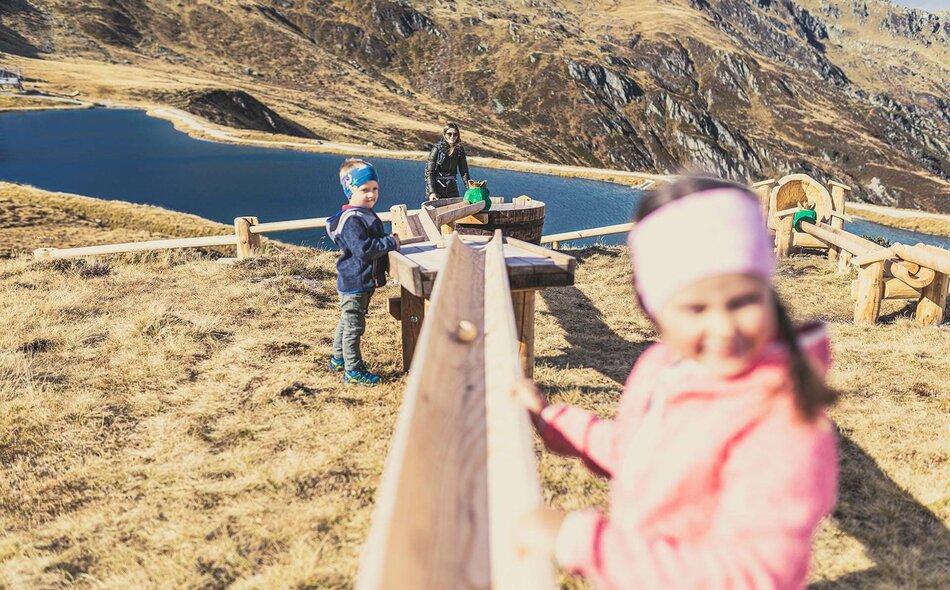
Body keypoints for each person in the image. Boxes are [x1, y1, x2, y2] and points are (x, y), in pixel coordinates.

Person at [514, 177, 840, 589]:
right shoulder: (665, 366)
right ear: (655, 311)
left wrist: (580, 541)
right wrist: (552, 420)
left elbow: (754, 576)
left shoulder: (784, 421)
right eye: (695, 307)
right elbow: (643, 453)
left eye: (743, 301)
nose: (723, 327)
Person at [326, 158, 400, 386]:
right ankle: (353, 370)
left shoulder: (362, 213)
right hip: (355, 282)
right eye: (364, 189)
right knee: (354, 327)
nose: (371, 195)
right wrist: (391, 242)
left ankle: (338, 358)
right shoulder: (353, 220)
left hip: (359, 281)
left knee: (347, 322)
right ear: (350, 190)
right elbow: (364, 250)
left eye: (375, 188)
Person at [425, 122, 471, 200]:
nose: (452, 136)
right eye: (449, 134)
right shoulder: (436, 149)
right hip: (437, 189)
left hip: (452, 188)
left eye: (455, 134)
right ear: (444, 134)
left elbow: (464, 171)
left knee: (457, 210)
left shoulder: (459, 150)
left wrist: (470, 189)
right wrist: (432, 192)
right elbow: (429, 172)